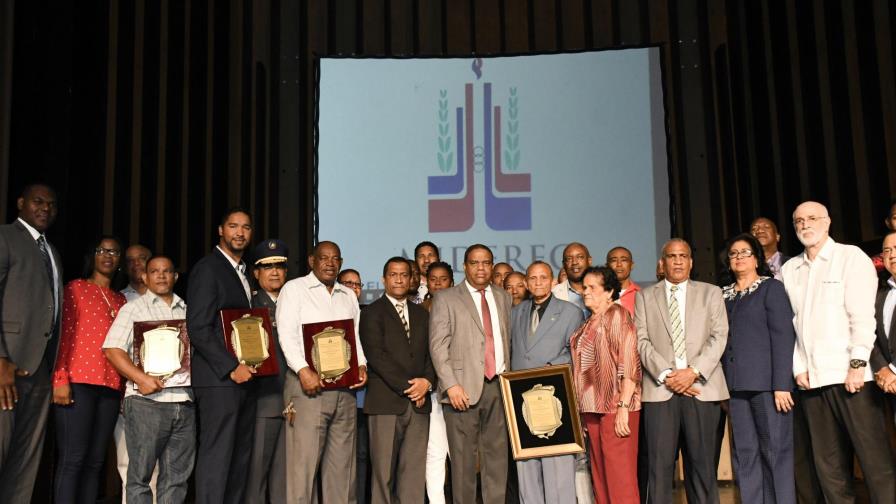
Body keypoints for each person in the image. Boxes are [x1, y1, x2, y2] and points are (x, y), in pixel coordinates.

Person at [782, 201, 896, 502]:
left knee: (874, 462)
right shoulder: (790, 268)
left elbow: (862, 317)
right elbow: (792, 325)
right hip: (812, 383)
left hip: (852, 378)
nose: (805, 225)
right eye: (798, 221)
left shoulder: (850, 257)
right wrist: (798, 368)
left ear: (827, 222)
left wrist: (858, 364)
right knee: (828, 468)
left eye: (812, 219)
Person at [635, 238, 729, 504]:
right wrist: (667, 375)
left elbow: (720, 336)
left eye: (682, 256)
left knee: (702, 468)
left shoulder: (711, 293)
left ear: (691, 261)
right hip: (660, 390)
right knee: (659, 470)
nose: (677, 261)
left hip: (701, 388)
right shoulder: (644, 296)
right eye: (671, 256)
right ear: (661, 263)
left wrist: (693, 371)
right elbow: (641, 341)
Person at [276, 241, 368, 503]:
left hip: (344, 391)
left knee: (342, 470)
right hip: (308, 390)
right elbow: (287, 335)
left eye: (335, 258)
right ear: (311, 261)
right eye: (323, 258)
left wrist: (361, 364)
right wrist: (303, 370)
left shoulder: (347, 295)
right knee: (303, 469)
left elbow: (355, 338)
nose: (330, 263)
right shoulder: (294, 290)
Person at [102, 255, 194, 504]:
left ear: (175, 277)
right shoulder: (134, 308)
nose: (161, 275)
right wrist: (140, 378)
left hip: (184, 401)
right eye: (154, 271)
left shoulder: (187, 308)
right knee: (140, 478)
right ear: (145, 277)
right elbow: (112, 349)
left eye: (167, 271)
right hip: (146, 403)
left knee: (176, 479)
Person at [429, 244, 511, 504]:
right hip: (461, 390)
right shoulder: (446, 298)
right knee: (463, 462)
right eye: (475, 262)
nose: (481, 267)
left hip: (498, 386)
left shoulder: (503, 296)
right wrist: (450, 385)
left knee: (497, 460)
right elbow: (438, 346)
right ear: (464, 266)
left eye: (486, 262)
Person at [186, 208, 258, 504]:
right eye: (233, 226)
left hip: (242, 380)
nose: (239, 232)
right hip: (219, 381)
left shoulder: (241, 272)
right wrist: (231, 367)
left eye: (245, 227)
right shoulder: (208, 268)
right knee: (218, 457)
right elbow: (199, 327)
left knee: (238, 460)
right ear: (220, 230)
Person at [719, 233, 796, 504]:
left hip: (768, 387)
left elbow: (783, 337)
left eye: (745, 252)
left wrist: (782, 385)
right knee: (745, 452)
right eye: (733, 253)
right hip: (736, 388)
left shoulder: (770, 288)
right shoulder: (724, 294)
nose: (739, 258)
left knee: (775, 450)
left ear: (756, 259)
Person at [52, 235, 128, 503]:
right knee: (73, 459)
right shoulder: (75, 288)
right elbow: (64, 334)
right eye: (101, 250)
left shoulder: (121, 301)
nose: (108, 255)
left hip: (110, 386)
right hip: (78, 382)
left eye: (114, 252)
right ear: (92, 256)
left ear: (120, 260)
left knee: (96, 462)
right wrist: (60, 378)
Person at [0, 183, 62, 502]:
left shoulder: (50, 250)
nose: (45, 208)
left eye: (51, 204)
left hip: (41, 371)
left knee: (25, 462)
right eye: (38, 202)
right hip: (7, 368)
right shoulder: (5, 237)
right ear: (21, 203)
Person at [361, 257, 435, 504]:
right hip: (385, 403)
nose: (400, 279)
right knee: (383, 475)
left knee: (413, 475)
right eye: (394, 274)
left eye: (404, 274)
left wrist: (427, 382)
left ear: (411, 279)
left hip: (419, 405)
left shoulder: (422, 314)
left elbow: (431, 354)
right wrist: (411, 387)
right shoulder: (372, 312)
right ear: (384, 279)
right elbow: (376, 356)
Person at [511, 261, 583, 503]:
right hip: (522, 398)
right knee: (527, 466)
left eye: (543, 278)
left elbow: (576, 352)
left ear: (552, 281)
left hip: (555, 395)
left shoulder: (570, 312)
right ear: (526, 283)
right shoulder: (516, 312)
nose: (538, 282)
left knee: (558, 465)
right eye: (533, 278)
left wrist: (551, 368)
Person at [570, 266, 640, 504]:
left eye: (592, 288)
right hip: (592, 407)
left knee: (620, 476)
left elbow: (629, 363)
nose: (585, 292)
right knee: (599, 477)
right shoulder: (589, 322)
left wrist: (623, 406)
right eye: (584, 287)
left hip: (615, 406)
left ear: (609, 291)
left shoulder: (618, 315)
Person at [246, 240, 289, 504]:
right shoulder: (249, 306)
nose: (274, 272)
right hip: (264, 400)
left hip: (296, 401)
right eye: (267, 267)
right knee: (257, 477)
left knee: (286, 479)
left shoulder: (296, 301)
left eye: (280, 266)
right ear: (256, 272)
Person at [113, 242, 155, 500]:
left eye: (142, 258)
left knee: (161, 465)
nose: (136, 264)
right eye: (130, 260)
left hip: (165, 392)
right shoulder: (119, 300)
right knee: (127, 463)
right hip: (128, 391)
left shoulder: (172, 300)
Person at [420, 260, 454, 504]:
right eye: (434, 279)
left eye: (444, 279)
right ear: (426, 282)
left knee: (461, 453)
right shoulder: (420, 310)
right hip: (432, 390)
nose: (439, 283)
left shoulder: (462, 306)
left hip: (459, 388)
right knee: (435, 452)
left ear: (451, 281)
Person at [338, 267, 370, 504]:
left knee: (361, 455)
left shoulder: (368, 315)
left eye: (357, 284)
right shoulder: (328, 317)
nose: (353, 288)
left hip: (364, 399)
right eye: (347, 283)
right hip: (337, 396)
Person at [873, 231, 896, 412]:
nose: (892, 255)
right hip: (891, 387)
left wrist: (893, 371)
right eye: (887, 251)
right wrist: (883, 369)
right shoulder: (880, 295)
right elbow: (871, 337)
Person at [607, 246, 640, 316]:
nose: (619, 264)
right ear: (607, 266)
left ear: (631, 265)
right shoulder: (598, 294)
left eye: (624, 260)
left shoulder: (641, 295)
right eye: (614, 260)